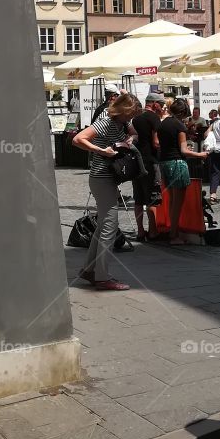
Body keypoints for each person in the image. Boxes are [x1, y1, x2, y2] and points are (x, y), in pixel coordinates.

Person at [72, 92, 139, 291]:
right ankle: (102, 277)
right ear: (123, 110)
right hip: (102, 178)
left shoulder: (121, 122)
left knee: (103, 226)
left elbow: (135, 133)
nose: (131, 117)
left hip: (106, 178)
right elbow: (78, 139)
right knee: (110, 225)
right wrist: (101, 151)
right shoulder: (106, 121)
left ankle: (89, 269)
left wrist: (129, 140)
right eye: (131, 113)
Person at [157, 97, 199, 246]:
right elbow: (183, 150)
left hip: (165, 162)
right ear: (183, 112)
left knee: (172, 201)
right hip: (177, 163)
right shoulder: (180, 126)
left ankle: (172, 230)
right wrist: (201, 154)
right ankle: (174, 235)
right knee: (178, 203)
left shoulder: (163, 124)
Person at [130, 92, 165, 241]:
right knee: (153, 198)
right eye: (161, 105)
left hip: (136, 162)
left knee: (138, 199)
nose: (162, 108)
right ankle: (152, 231)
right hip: (150, 161)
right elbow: (156, 142)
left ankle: (140, 231)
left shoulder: (135, 118)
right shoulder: (154, 118)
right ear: (155, 104)